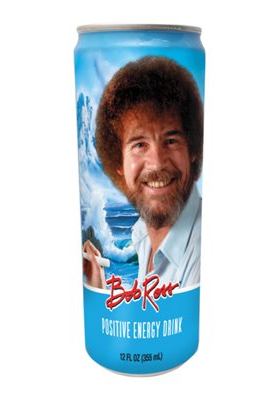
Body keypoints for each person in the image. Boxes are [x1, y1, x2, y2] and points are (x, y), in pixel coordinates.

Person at [83, 56, 203, 289]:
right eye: (139, 145)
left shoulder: (200, 250)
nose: (156, 164)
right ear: (119, 163)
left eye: (171, 141)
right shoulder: (142, 234)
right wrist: (98, 285)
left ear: (193, 150)